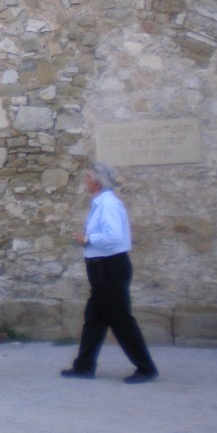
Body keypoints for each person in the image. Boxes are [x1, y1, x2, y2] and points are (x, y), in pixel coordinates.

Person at [61, 163, 159, 384]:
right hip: (103, 268)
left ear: (98, 182)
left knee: (121, 319)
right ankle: (84, 366)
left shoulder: (108, 205)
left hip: (109, 268)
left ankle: (146, 368)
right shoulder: (102, 204)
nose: (85, 180)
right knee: (94, 319)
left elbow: (113, 236)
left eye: (88, 177)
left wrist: (88, 239)